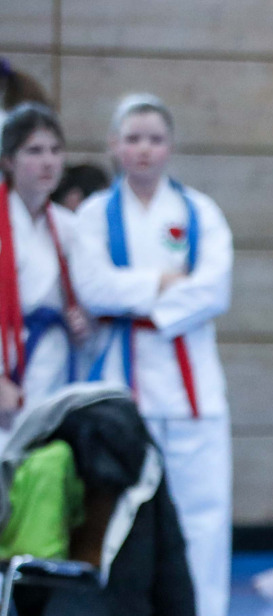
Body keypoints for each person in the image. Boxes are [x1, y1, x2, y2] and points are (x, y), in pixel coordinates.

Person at [76, 94, 241, 616]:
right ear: (114, 146)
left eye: (154, 139)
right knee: (116, 514)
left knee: (204, 515)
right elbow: (93, 287)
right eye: (132, 138)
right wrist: (164, 283)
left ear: (170, 147)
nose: (143, 149)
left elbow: (214, 290)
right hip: (122, 386)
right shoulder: (94, 214)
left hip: (194, 388)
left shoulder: (200, 212)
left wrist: (141, 297)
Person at [2, 105, 161, 423]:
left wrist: (83, 325)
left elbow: (91, 298)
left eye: (55, 150)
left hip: (55, 363)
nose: (48, 161)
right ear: (8, 160)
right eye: (34, 151)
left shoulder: (69, 227)